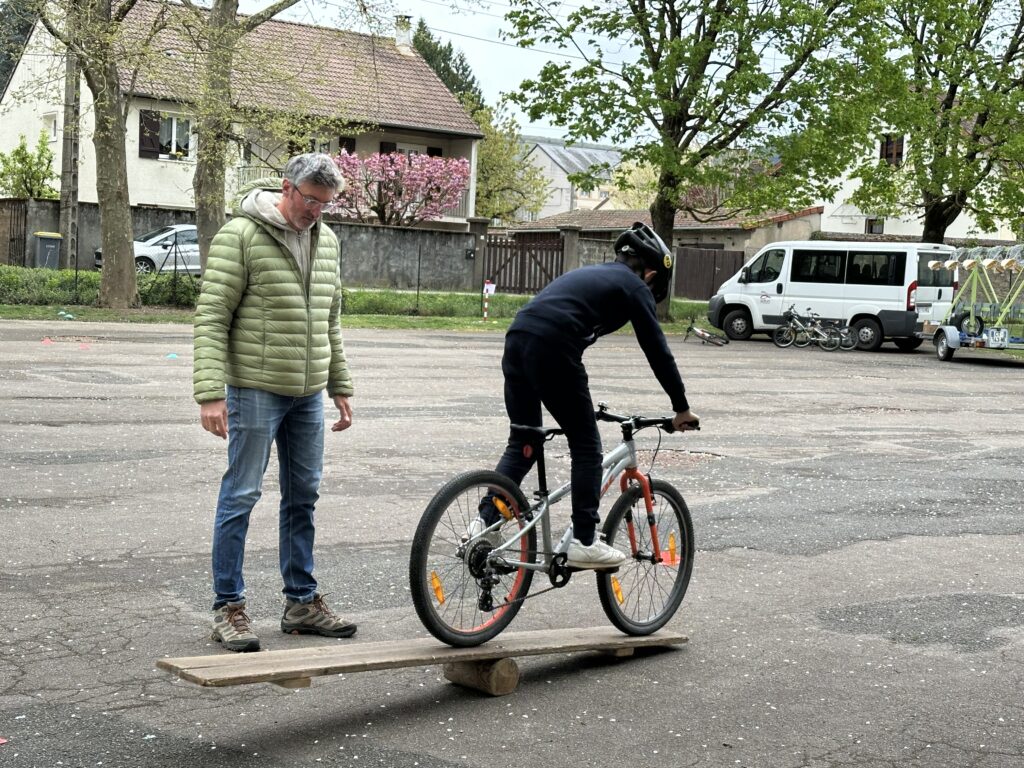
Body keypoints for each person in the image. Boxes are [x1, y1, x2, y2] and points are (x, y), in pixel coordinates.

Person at [193, 153, 356, 653]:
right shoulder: (240, 236)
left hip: (307, 393)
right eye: (311, 201)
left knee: (303, 495)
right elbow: (211, 315)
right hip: (254, 388)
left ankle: (301, 602)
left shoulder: (325, 240)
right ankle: (228, 607)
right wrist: (210, 393)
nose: (318, 212)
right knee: (241, 494)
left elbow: (330, 320)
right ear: (287, 188)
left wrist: (340, 385)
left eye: (327, 204)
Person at [472, 222, 700, 569]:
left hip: (518, 339)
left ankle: (483, 526)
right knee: (587, 445)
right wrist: (681, 407)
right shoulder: (635, 286)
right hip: (553, 347)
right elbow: (658, 351)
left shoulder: (595, 274)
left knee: (523, 442)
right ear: (652, 272)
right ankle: (584, 540)